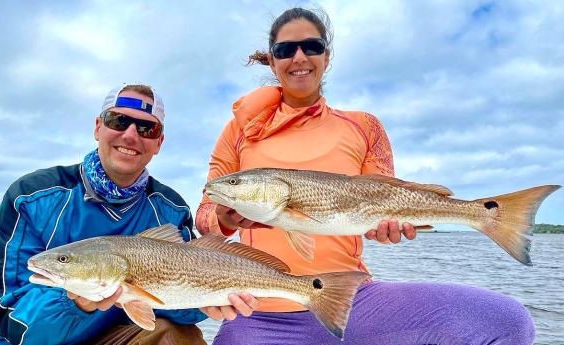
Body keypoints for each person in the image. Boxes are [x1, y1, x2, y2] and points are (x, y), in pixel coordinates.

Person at [196, 8, 536, 345]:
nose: (299, 57)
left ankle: (490, 215)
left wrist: (390, 229)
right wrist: (226, 218)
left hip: (354, 299)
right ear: (272, 62)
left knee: (507, 321)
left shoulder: (364, 126)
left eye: (311, 47)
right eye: (286, 50)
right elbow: (204, 214)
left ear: (326, 57)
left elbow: (386, 197)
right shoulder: (239, 130)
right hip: (261, 309)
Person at [0, 83, 256, 345]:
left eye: (146, 128)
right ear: (97, 127)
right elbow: (8, 318)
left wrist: (204, 304)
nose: (130, 135)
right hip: (44, 339)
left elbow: (172, 308)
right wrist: (77, 304)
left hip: (124, 336)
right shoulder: (31, 196)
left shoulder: (171, 209)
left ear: (159, 142)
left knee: (177, 336)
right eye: (118, 121)